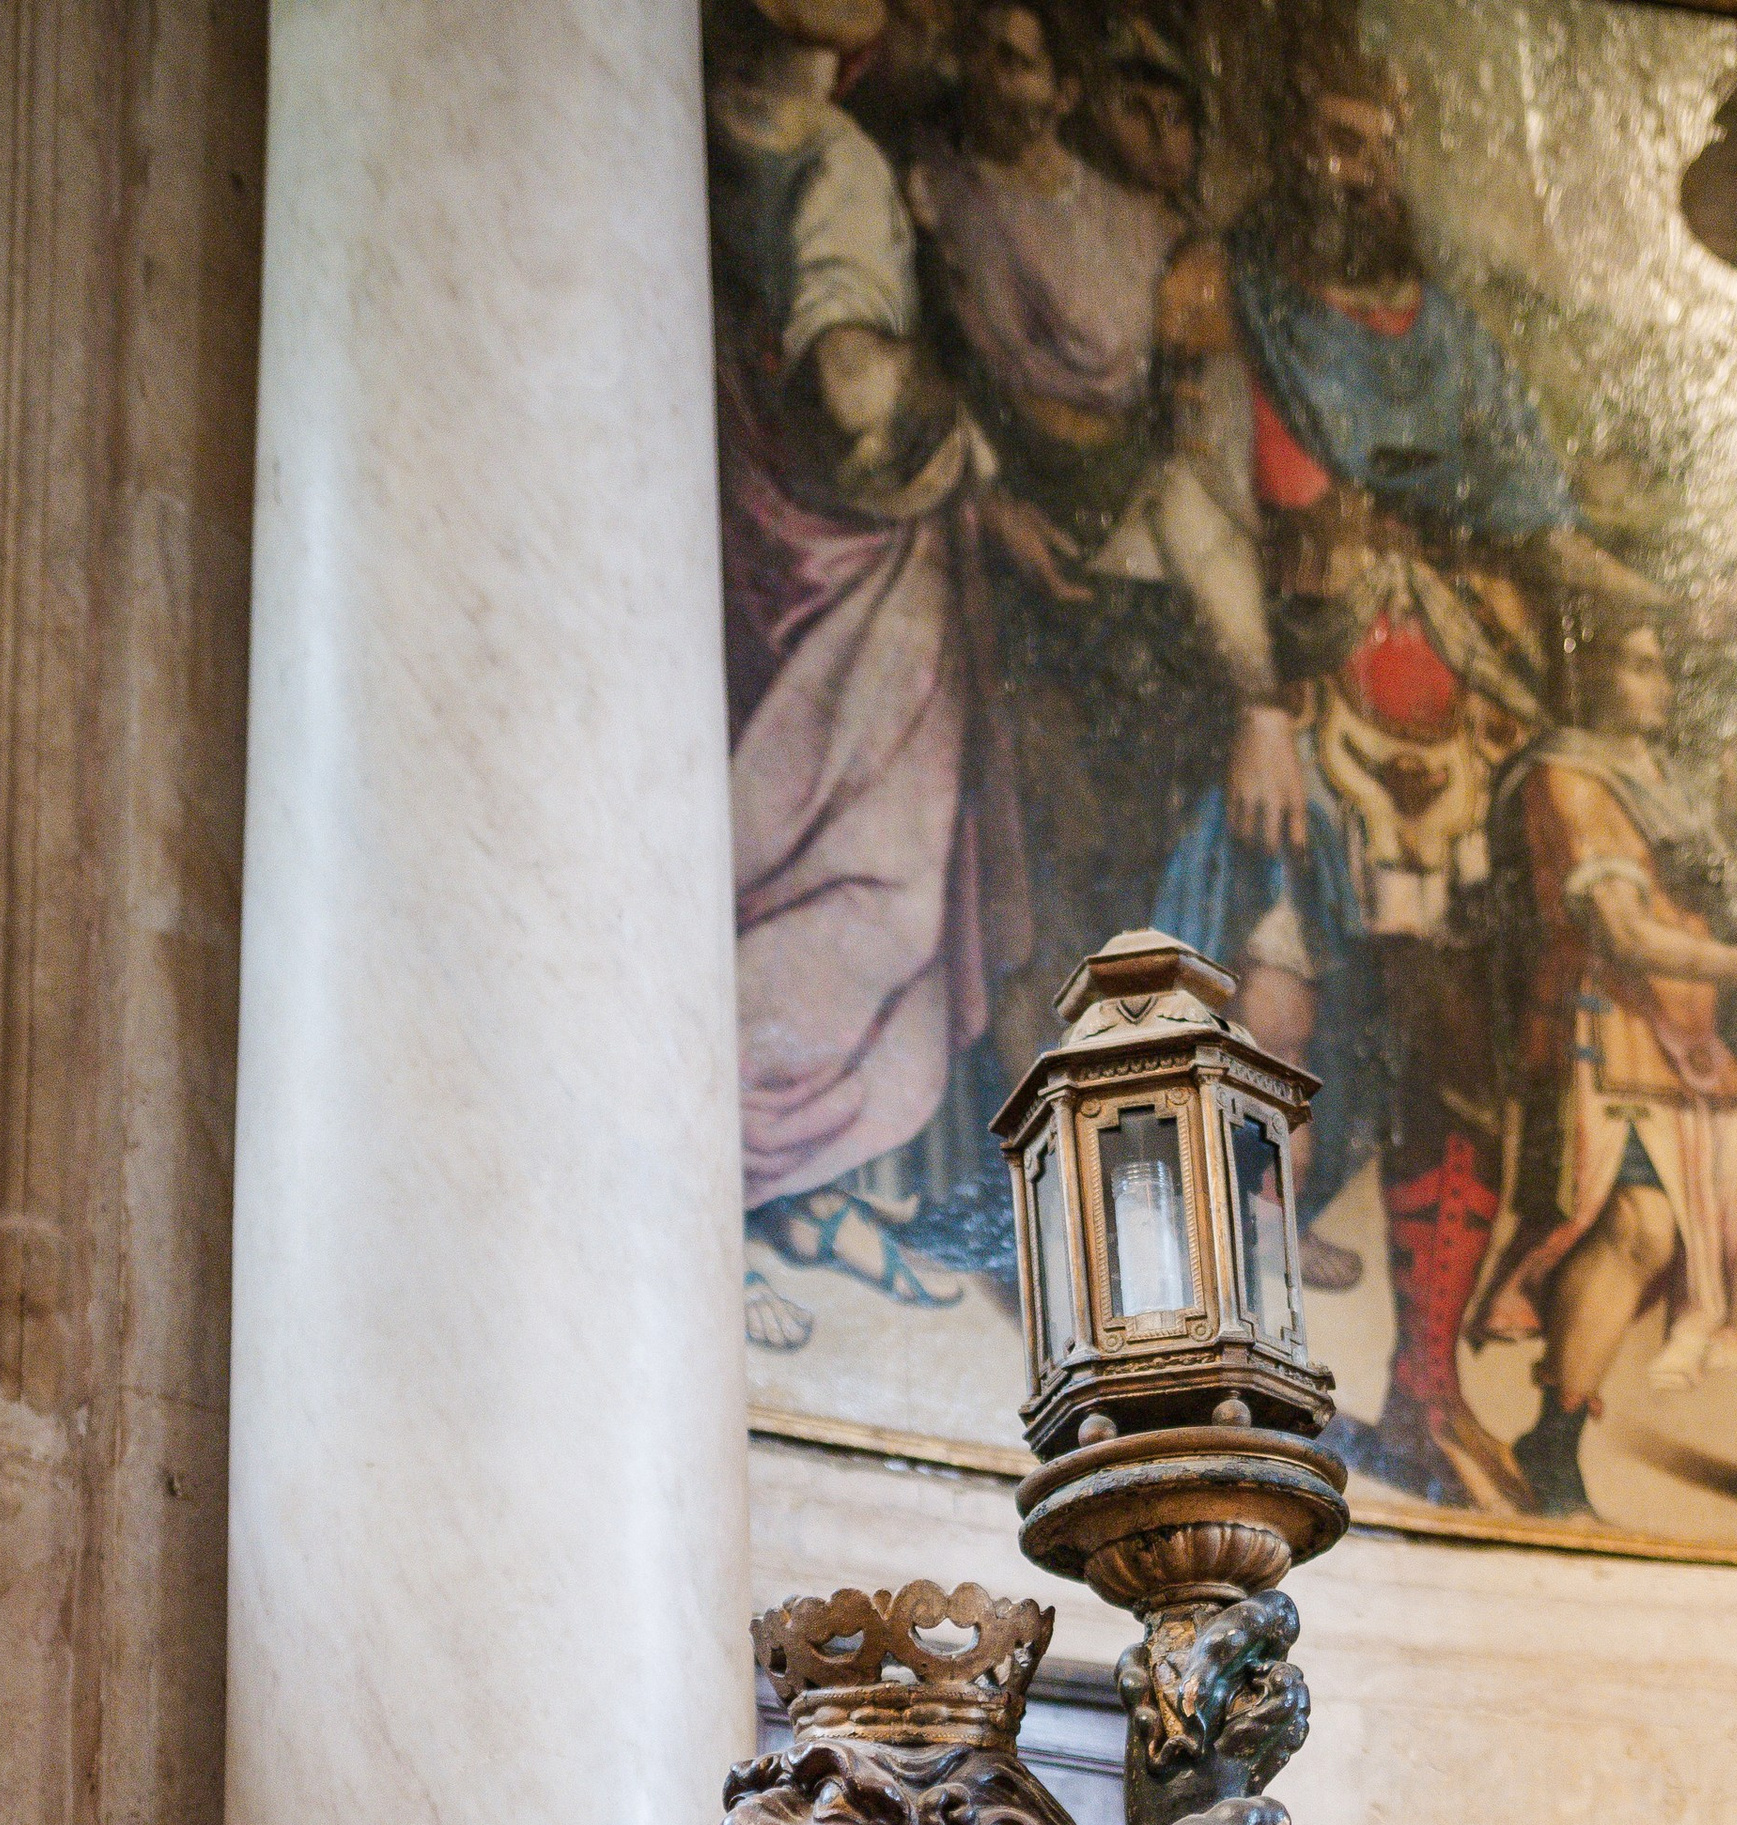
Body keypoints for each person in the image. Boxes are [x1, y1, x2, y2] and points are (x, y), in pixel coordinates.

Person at [1149, 37, 1656, 1508]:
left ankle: (1424, 1397)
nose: (1345, 171)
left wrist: (1662, 600)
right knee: (1274, 1022)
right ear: (1285, 145)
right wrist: (1257, 700)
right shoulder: (1227, 299)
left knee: (1459, 1065)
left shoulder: (1453, 339)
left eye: (1368, 146)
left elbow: (1540, 522)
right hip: (1307, 720)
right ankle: (1220, 1380)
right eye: (1322, 140)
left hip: (1462, 738)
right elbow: (1189, 496)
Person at [706, 0, 1026, 1337]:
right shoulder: (832, 160)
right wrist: (951, 447)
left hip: (767, 547)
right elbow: (850, 384)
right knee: (876, 904)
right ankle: (707, 1187)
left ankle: (789, 1189)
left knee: (786, 873)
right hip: (860, 576)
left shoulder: (716, 131)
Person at [907, 1, 1273, 1075]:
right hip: (1017, 581)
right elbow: (938, 381)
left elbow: (1189, 433)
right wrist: (987, 501)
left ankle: (1148, 1101)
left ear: (1062, 91)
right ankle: (1052, 1113)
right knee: (1042, 867)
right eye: (982, 55)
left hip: (1142, 577)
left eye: (1020, 61)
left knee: (1149, 865)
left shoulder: (1147, 234)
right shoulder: (936, 198)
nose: (995, 77)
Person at [1474, 610, 1737, 1522]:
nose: (1659, 683)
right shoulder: (1568, 777)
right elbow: (1619, 931)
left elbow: (1711, 898)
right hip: (1608, 1031)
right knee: (1642, 1227)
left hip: (1694, 1034)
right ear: (1592, 670)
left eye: (1661, 665)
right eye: (1638, 663)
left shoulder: (1665, 785)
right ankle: (1554, 1436)